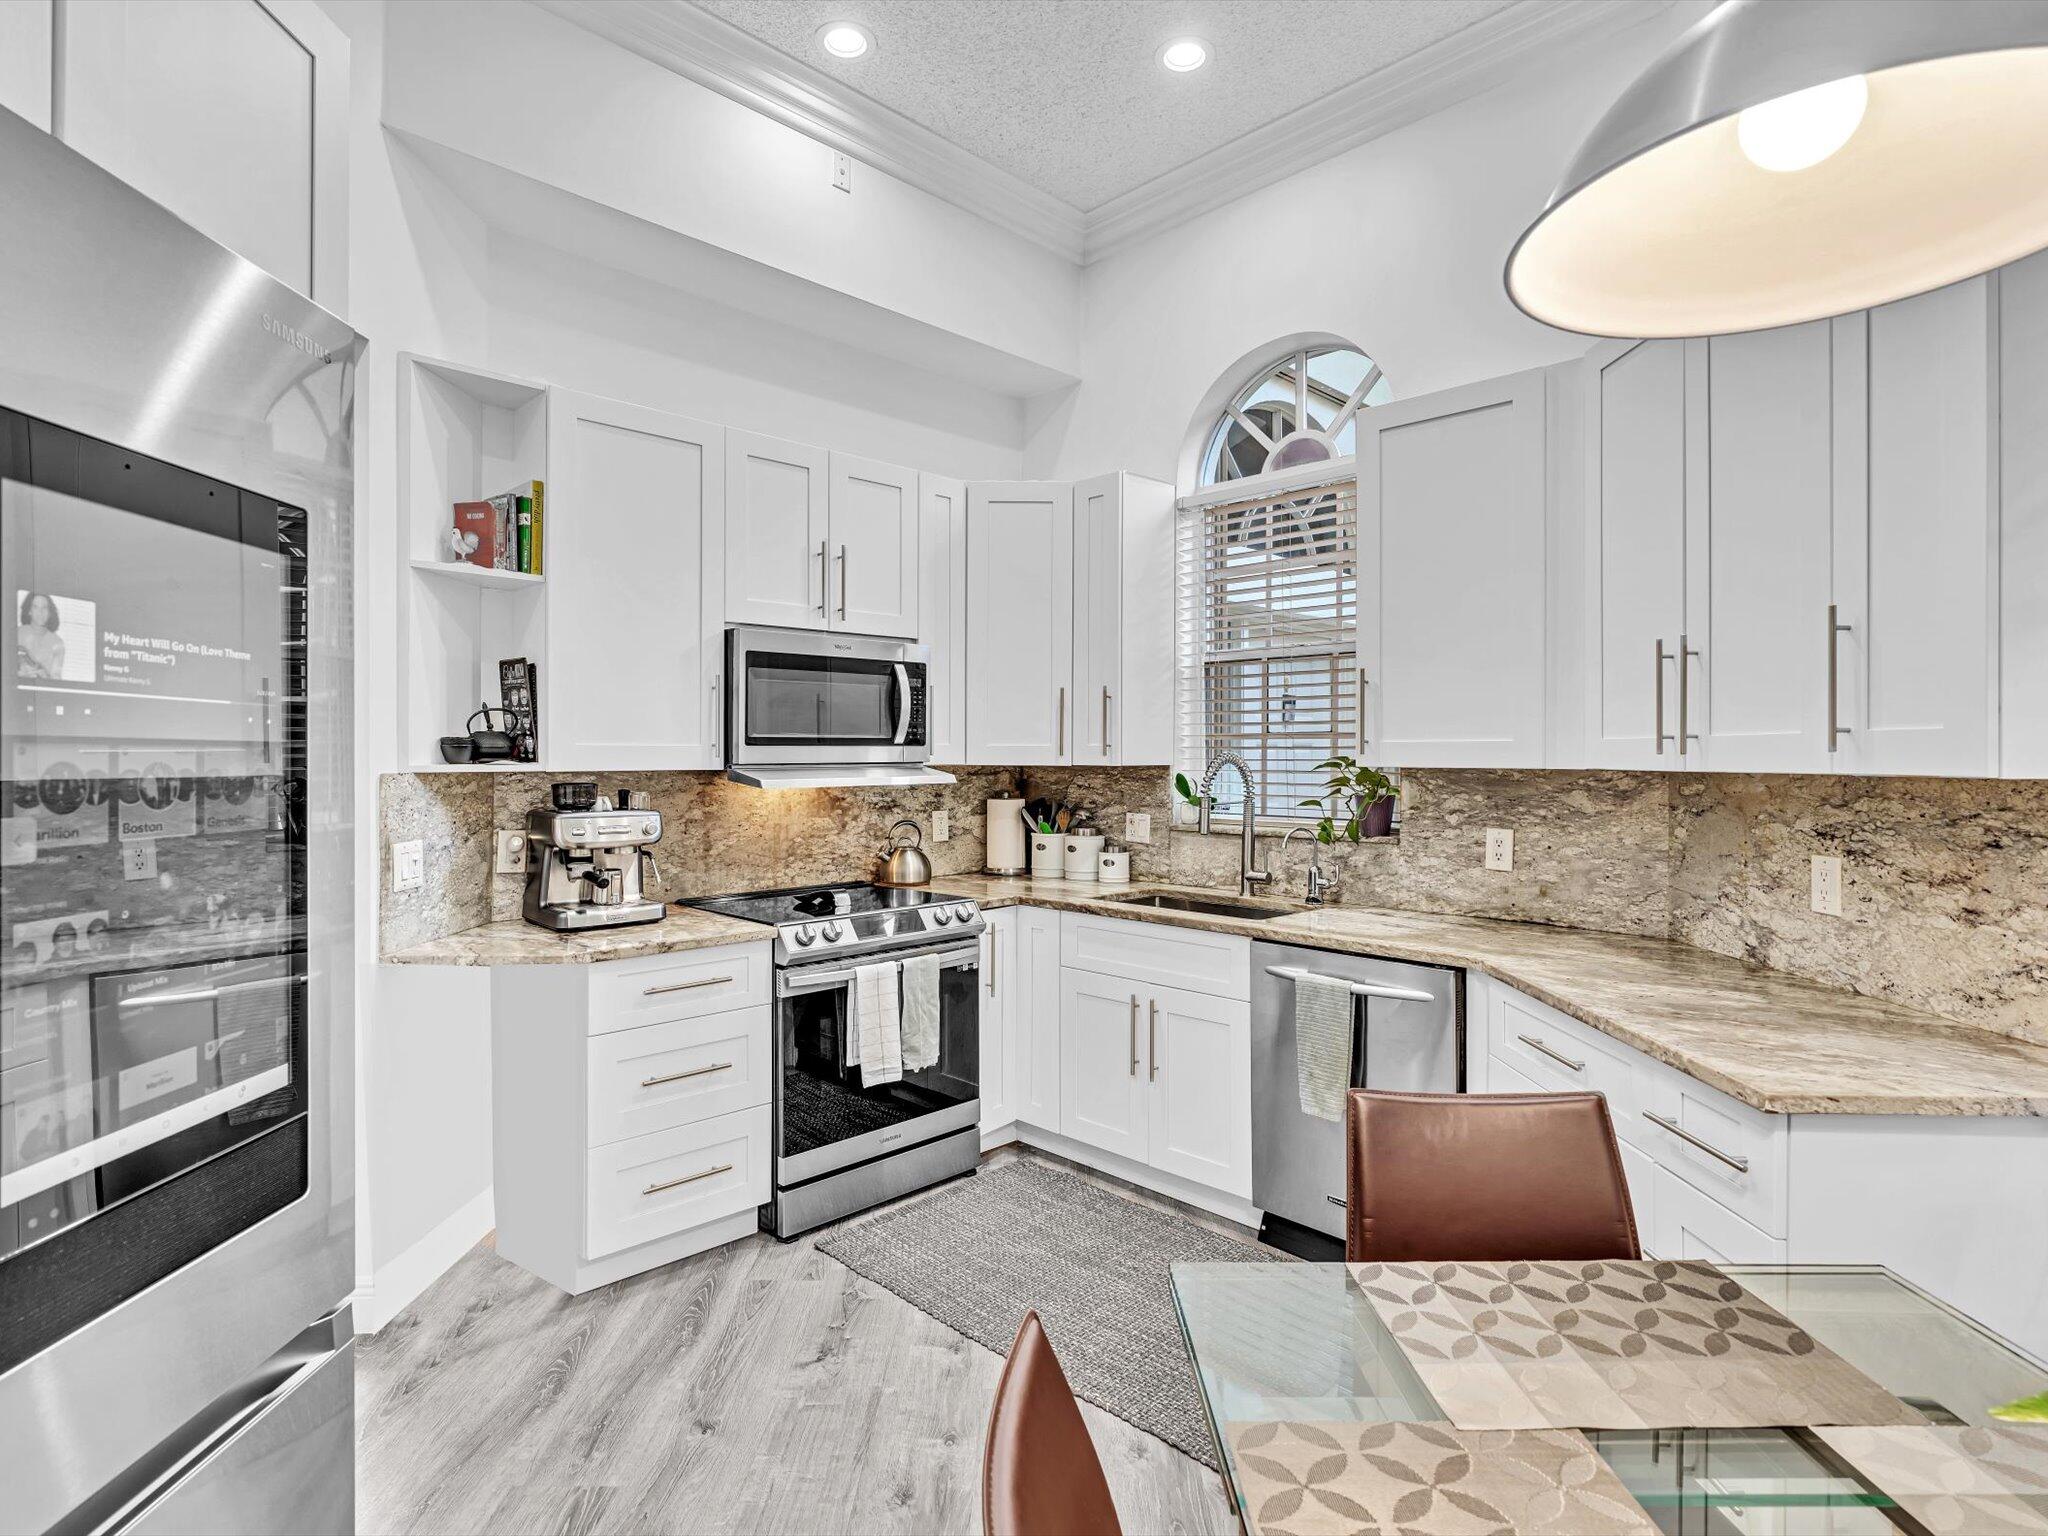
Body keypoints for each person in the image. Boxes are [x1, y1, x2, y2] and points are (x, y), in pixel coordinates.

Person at [17, 592, 64, 679]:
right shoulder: (16, 634)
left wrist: (45, 676)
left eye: (44, 608)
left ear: (50, 612)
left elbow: (56, 678)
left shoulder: (58, 642)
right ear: (29, 611)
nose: (40, 612)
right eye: (35, 607)